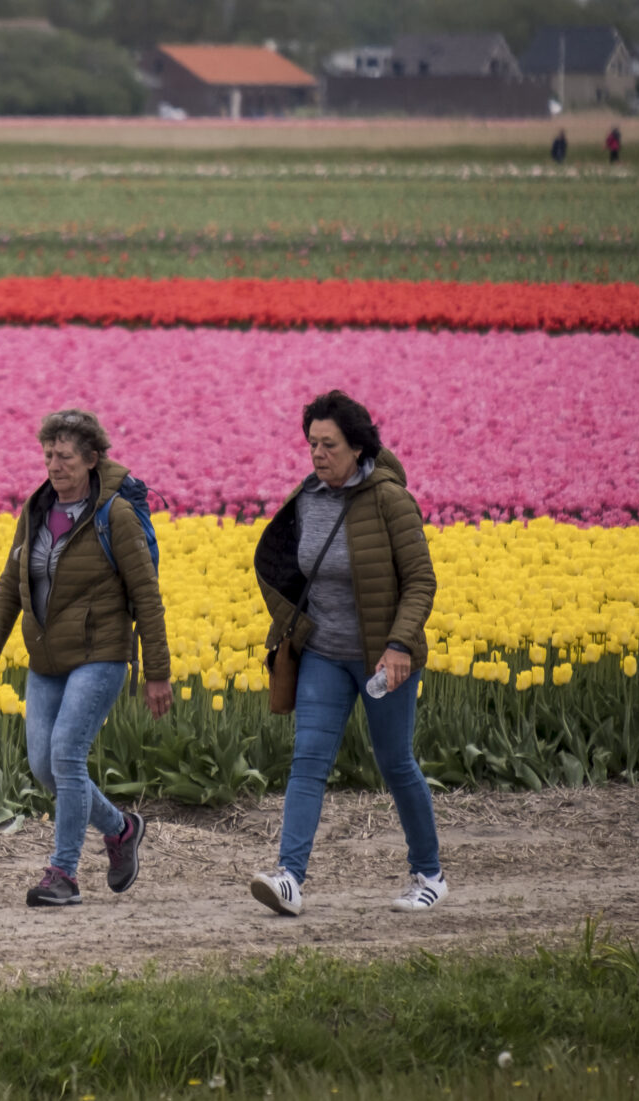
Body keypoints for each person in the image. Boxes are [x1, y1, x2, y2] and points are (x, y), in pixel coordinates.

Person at [248, 390, 443, 917]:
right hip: (323, 656)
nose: (318, 454)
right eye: (312, 443)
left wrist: (400, 644)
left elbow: (421, 581)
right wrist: (289, 625)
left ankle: (429, 873)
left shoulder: (389, 499)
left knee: (395, 762)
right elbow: (284, 566)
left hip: (383, 661)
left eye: (329, 444)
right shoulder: (307, 498)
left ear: (357, 446)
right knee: (308, 760)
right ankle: (289, 877)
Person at [0, 409, 171, 908]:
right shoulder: (36, 511)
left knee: (66, 755)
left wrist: (156, 672)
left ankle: (63, 874)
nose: (53, 465)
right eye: (48, 455)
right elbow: (10, 584)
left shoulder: (113, 516)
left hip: (101, 655)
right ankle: (121, 829)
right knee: (45, 767)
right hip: (47, 658)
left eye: (64, 456)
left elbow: (146, 594)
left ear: (91, 460)